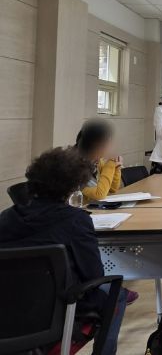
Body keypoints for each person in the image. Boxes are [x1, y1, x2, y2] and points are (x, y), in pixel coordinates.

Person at [0, 147, 127, 355]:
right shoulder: (76, 221)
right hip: (59, 310)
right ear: (73, 185)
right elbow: (94, 275)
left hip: (7, 313)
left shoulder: (6, 218)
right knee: (117, 294)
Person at [75, 119, 122, 202]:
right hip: (78, 208)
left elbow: (112, 189)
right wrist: (110, 163)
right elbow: (99, 194)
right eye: (108, 143)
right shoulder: (77, 164)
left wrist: (116, 167)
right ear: (97, 145)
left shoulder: (97, 161)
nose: (111, 147)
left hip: (91, 207)